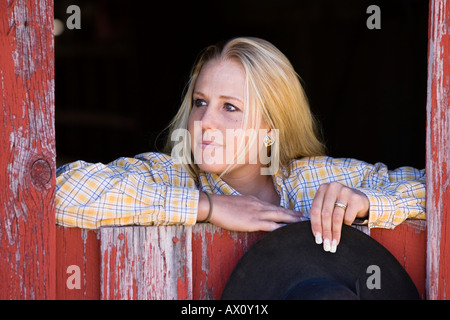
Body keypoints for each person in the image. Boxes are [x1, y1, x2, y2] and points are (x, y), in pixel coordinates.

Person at [56, 37, 425, 253]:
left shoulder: (315, 176)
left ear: (270, 128)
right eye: (200, 102)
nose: (204, 121)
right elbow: (60, 191)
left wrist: (365, 203)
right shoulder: (171, 174)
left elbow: (435, 187)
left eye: (229, 107)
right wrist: (209, 206)